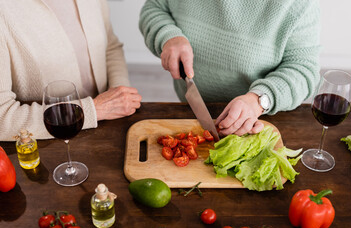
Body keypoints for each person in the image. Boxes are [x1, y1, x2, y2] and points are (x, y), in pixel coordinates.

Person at [139, 0, 321, 136]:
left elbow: (304, 69)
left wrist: (260, 100)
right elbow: (154, 8)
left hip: (260, 121)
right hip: (189, 110)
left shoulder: (299, 4)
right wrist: (168, 36)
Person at [0, 0, 142, 141]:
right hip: (49, 144)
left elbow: (110, 46)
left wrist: (118, 94)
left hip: (108, 125)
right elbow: (2, 117)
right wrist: (93, 110)